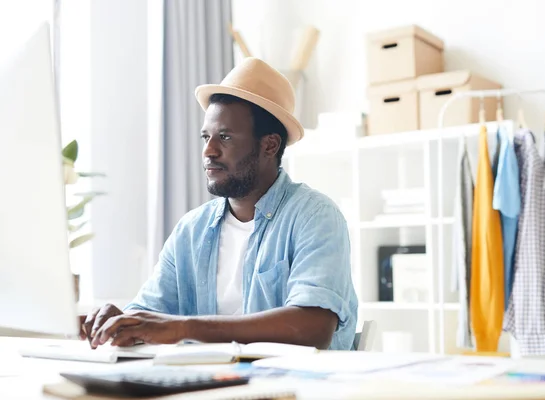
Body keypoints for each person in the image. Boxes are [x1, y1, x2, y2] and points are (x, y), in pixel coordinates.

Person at [79, 57, 358, 351]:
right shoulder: (191, 230)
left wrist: (185, 328)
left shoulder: (314, 216)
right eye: (206, 137)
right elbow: (151, 315)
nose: (208, 151)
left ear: (269, 145)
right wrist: (123, 321)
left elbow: (313, 328)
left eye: (224, 137)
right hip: (211, 385)